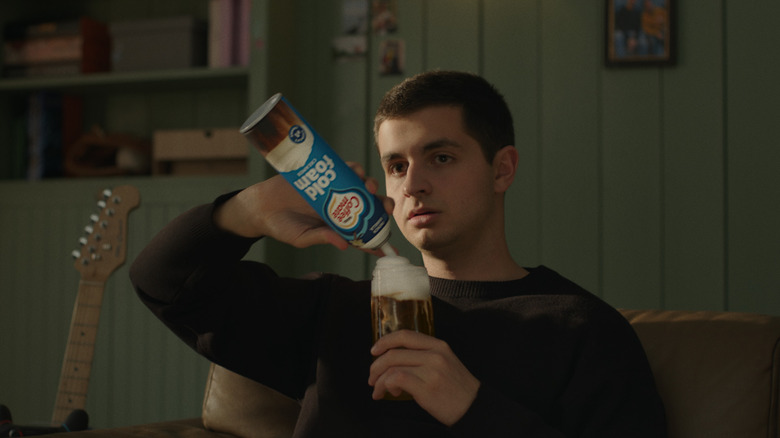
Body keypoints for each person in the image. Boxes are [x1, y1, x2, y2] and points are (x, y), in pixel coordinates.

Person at [130, 70, 667, 437]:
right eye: (396, 166)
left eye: (441, 157)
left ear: (502, 168)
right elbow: (161, 281)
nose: (413, 186)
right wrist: (248, 210)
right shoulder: (332, 312)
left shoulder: (582, 329)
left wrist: (472, 407)